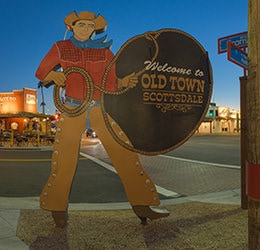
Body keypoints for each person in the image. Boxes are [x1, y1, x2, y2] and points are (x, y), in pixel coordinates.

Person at [35, 11, 167, 228]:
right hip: (72, 108)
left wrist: (125, 82)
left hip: (98, 108)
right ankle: (57, 207)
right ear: (72, 27)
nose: (85, 29)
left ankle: (143, 205)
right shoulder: (61, 47)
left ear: (94, 29)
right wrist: (53, 76)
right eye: (81, 25)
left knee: (125, 153)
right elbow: (41, 71)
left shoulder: (104, 52)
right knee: (64, 159)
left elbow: (112, 81)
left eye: (89, 26)